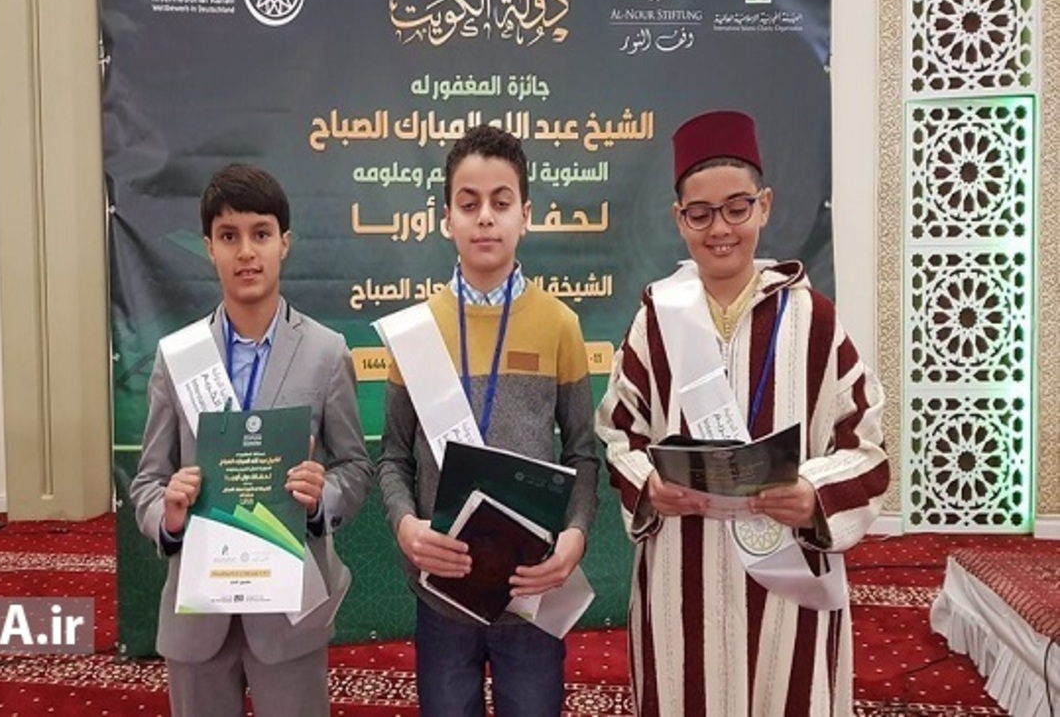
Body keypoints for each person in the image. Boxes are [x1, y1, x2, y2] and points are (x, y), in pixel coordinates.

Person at [596, 110, 889, 716]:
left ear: (764, 206)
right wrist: (649, 485)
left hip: (789, 574)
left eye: (736, 208)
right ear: (679, 219)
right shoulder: (657, 321)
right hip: (682, 572)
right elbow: (618, 432)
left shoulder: (814, 321)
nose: (720, 229)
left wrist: (814, 493)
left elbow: (865, 442)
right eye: (700, 214)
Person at [130, 163, 374, 717]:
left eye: (260, 234)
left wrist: (322, 499)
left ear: (284, 243)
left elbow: (355, 468)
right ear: (209, 248)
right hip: (198, 611)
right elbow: (147, 481)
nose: (246, 252)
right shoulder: (177, 356)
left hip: (289, 613)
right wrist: (167, 517)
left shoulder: (327, 352)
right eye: (228, 236)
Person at [377, 125, 599, 716]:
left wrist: (574, 537)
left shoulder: (560, 325)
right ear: (445, 218)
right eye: (468, 203)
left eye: (501, 203)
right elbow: (393, 457)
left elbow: (582, 453)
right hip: (442, 590)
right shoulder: (416, 331)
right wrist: (405, 527)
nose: (484, 218)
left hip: (530, 588)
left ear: (526, 214)